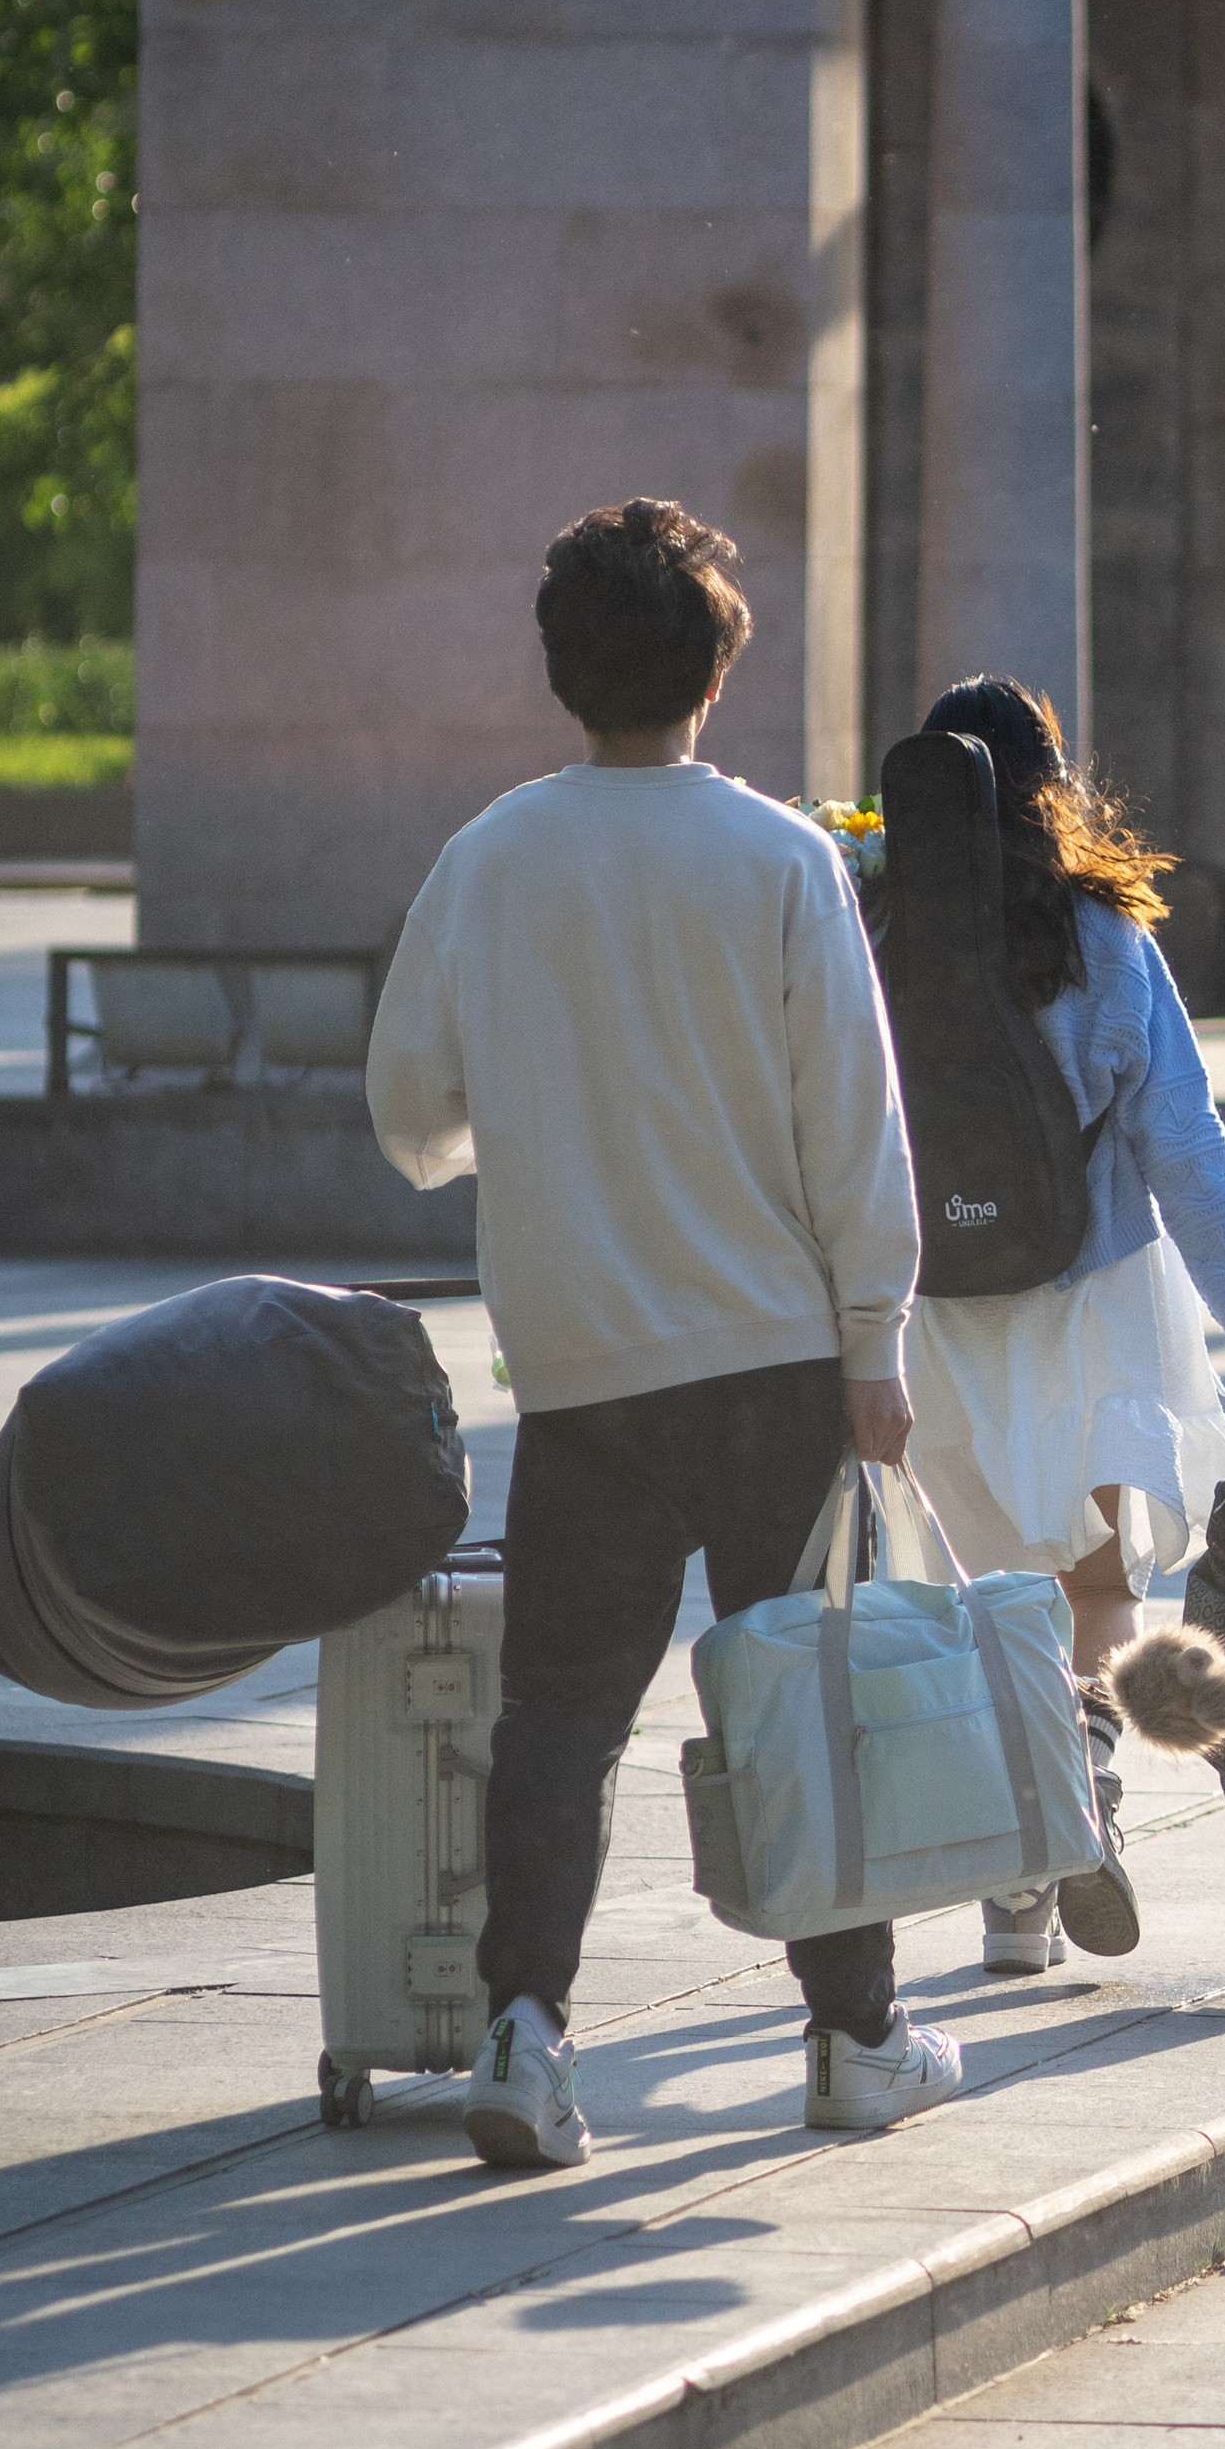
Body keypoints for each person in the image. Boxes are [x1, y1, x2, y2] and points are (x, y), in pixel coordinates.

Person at [367, 497, 959, 2166]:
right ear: (719, 667)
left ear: (564, 674)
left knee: (561, 1717)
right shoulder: (781, 857)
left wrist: (531, 1130)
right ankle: (854, 2039)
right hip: (772, 1356)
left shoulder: (490, 854)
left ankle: (523, 2036)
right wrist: (876, 1342)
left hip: (582, 1369)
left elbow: (409, 1109)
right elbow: (856, 1123)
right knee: (797, 1703)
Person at [890, 675, 1225, 1975]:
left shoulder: (869, 931)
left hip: (938, 1315)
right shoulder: (1100, 939)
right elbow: (1184, 1142)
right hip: (1099, 1310)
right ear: (1048, 790)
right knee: (1101, 1588)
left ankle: (1019, 1895)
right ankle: (1091, 1793)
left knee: (996, 1604)